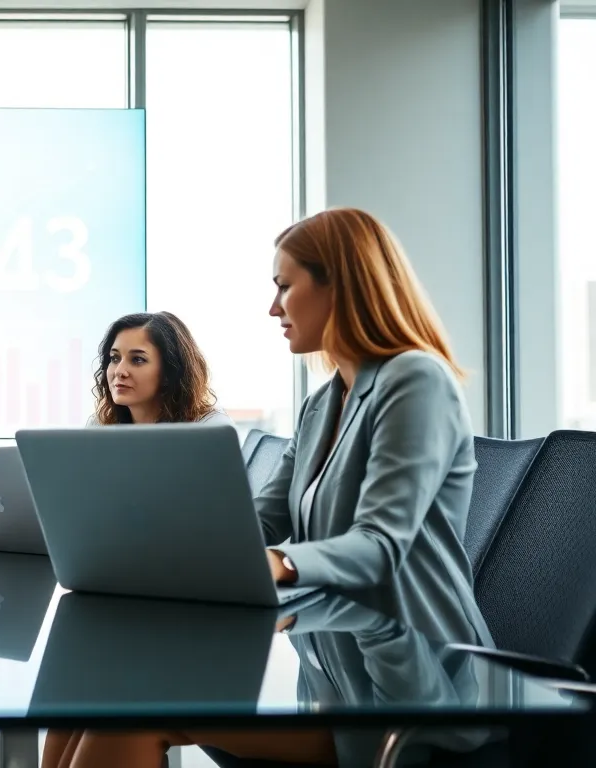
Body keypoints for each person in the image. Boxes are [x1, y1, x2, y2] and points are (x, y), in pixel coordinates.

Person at [44, 208, 493, 768]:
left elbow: (380, 546)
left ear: (341, 287)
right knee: (93, 695)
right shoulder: (323, 403)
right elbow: (263, 518)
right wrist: (166, 550)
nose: (273, 307)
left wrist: (274, 562)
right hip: (333, 668)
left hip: (409, 690)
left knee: (130, 713)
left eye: (285, 286)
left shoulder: (416, 381)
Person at [90, 311, 233, 428]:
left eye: (137, 359)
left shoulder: (210, 428)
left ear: (169, 371)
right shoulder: (100, 426)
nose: (119, 371)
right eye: (115, 358)